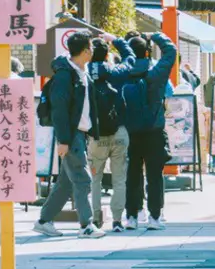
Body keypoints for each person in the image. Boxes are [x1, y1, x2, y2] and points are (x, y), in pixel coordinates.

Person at [34, 30, 98, 238]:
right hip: (71, 134)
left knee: (66, 182)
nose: (93, 50)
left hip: (80, 133)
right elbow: (59, 110)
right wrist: (63, 140)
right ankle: (86, 225)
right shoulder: (65, 75)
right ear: (86, 50)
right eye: (91, 46)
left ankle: (44, 220)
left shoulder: (82, 71)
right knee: (82, 178)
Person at [117, 30, 178, 230]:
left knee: (133, 174)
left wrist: (118, 42)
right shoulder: (156, 74)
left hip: (132, 131)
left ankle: (132, 216)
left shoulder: (123, 74)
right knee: (154, 175)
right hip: (154, 130)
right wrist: (156, 35)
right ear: (147, 52)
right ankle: (154, 217)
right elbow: (170, 52)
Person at [83, 35, 131, 232]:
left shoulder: (82, 75)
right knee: (119, 178)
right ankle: (118, 220)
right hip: (119, 132)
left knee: (95, 178)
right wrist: (118, 42)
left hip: (96, 136)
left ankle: (95, 218)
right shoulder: (114, 71)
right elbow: (130, 60)